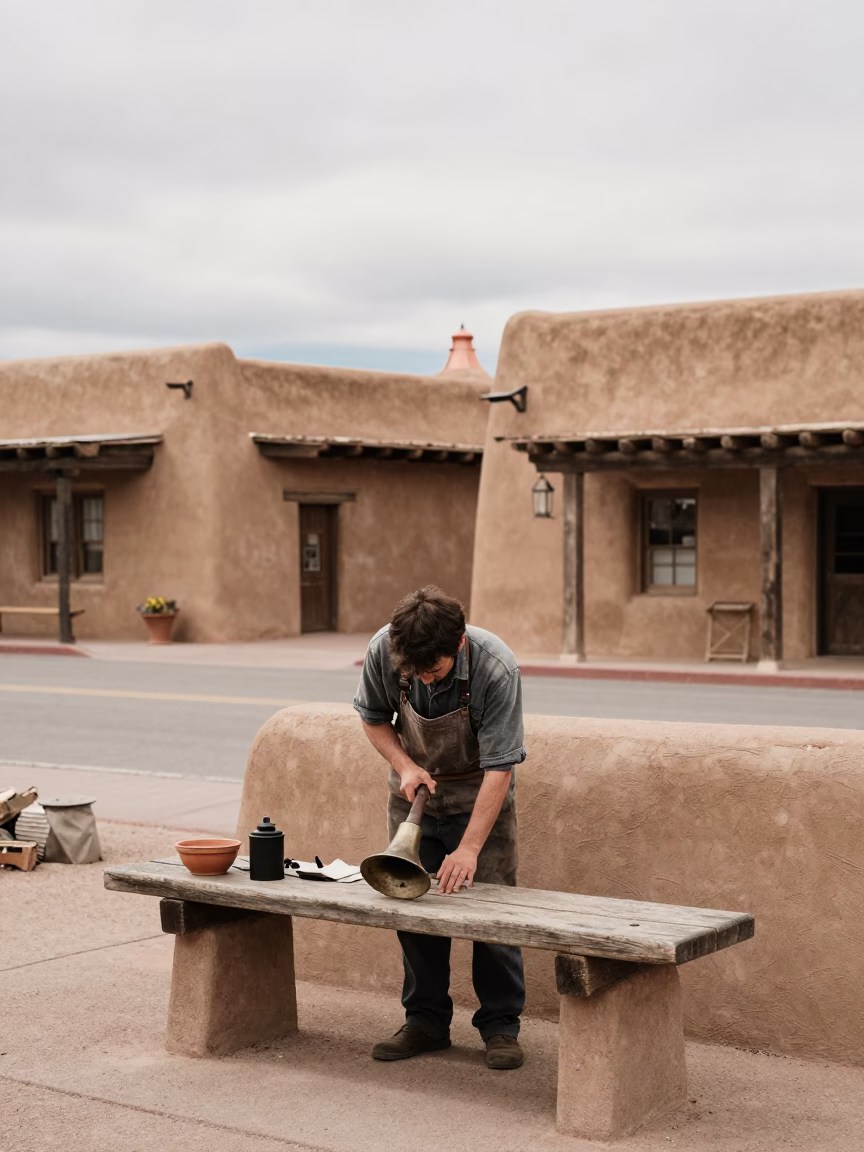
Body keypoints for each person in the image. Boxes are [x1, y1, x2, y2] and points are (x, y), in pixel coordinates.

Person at [353, 585, 526, 1070]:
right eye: (416, 672)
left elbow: (500, 768)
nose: (425, 679)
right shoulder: (384, 649)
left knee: (493, 912)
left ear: (460, 644)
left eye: (436, 669)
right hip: (413, 793)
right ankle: (425, 1022)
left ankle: (500, 1027)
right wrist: (405, 765)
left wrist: (470, 848)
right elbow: (371, 717)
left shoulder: (496, 668)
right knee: (411, 907)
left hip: (479, 790)